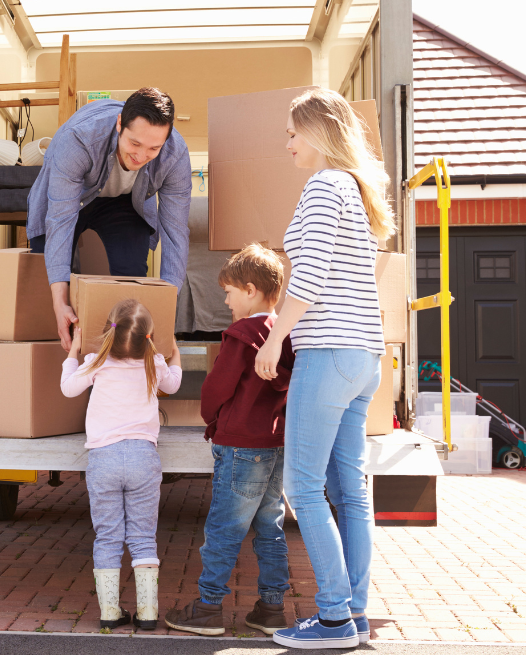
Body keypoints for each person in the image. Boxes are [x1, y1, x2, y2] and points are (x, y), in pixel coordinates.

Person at [255, 88, 395, 649]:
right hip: (363, 359)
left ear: (317, 130)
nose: (287, 143)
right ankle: (353, 614)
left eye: (292, 132)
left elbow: (308, 279)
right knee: (349, 492)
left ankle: (334, 618)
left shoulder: (322, 187)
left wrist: (274, 341)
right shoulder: (355, 192)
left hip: (329, 353)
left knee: (303, 487)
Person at [164, 244, 295, 637]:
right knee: (270, 528)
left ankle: (207, 608)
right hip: (275, 445)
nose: (225, 299)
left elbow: (216, 388)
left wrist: (212, 419)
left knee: (223, 528)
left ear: (250, 291)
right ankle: (271, 609)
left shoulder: (241, 335)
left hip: (240, 446)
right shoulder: (284, 334)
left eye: (229, 292)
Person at [27, 88, 192, 351]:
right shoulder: (79, 139)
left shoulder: (175, 154)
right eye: (135, 144)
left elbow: (175, 232)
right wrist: (59, 302)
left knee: (131, 276)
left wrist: (164, 311)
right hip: (71, 198)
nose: (140, 156)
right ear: (119, 124)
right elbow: (60, 220)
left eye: (153, 148)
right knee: (46, 287)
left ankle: (121, 363)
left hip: (124, 202)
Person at [59, 299, 182, 631]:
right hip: (144, 458)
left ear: (107, 332)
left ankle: (110, 612)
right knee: (143, 536)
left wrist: (73, 353)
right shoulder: (153, 364)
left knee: (108, 536)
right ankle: (147, 612)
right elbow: (174, 384)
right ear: (150, 336)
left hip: (104, 459)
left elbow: (68, 388)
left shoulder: (96, 362)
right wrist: (174, 353)